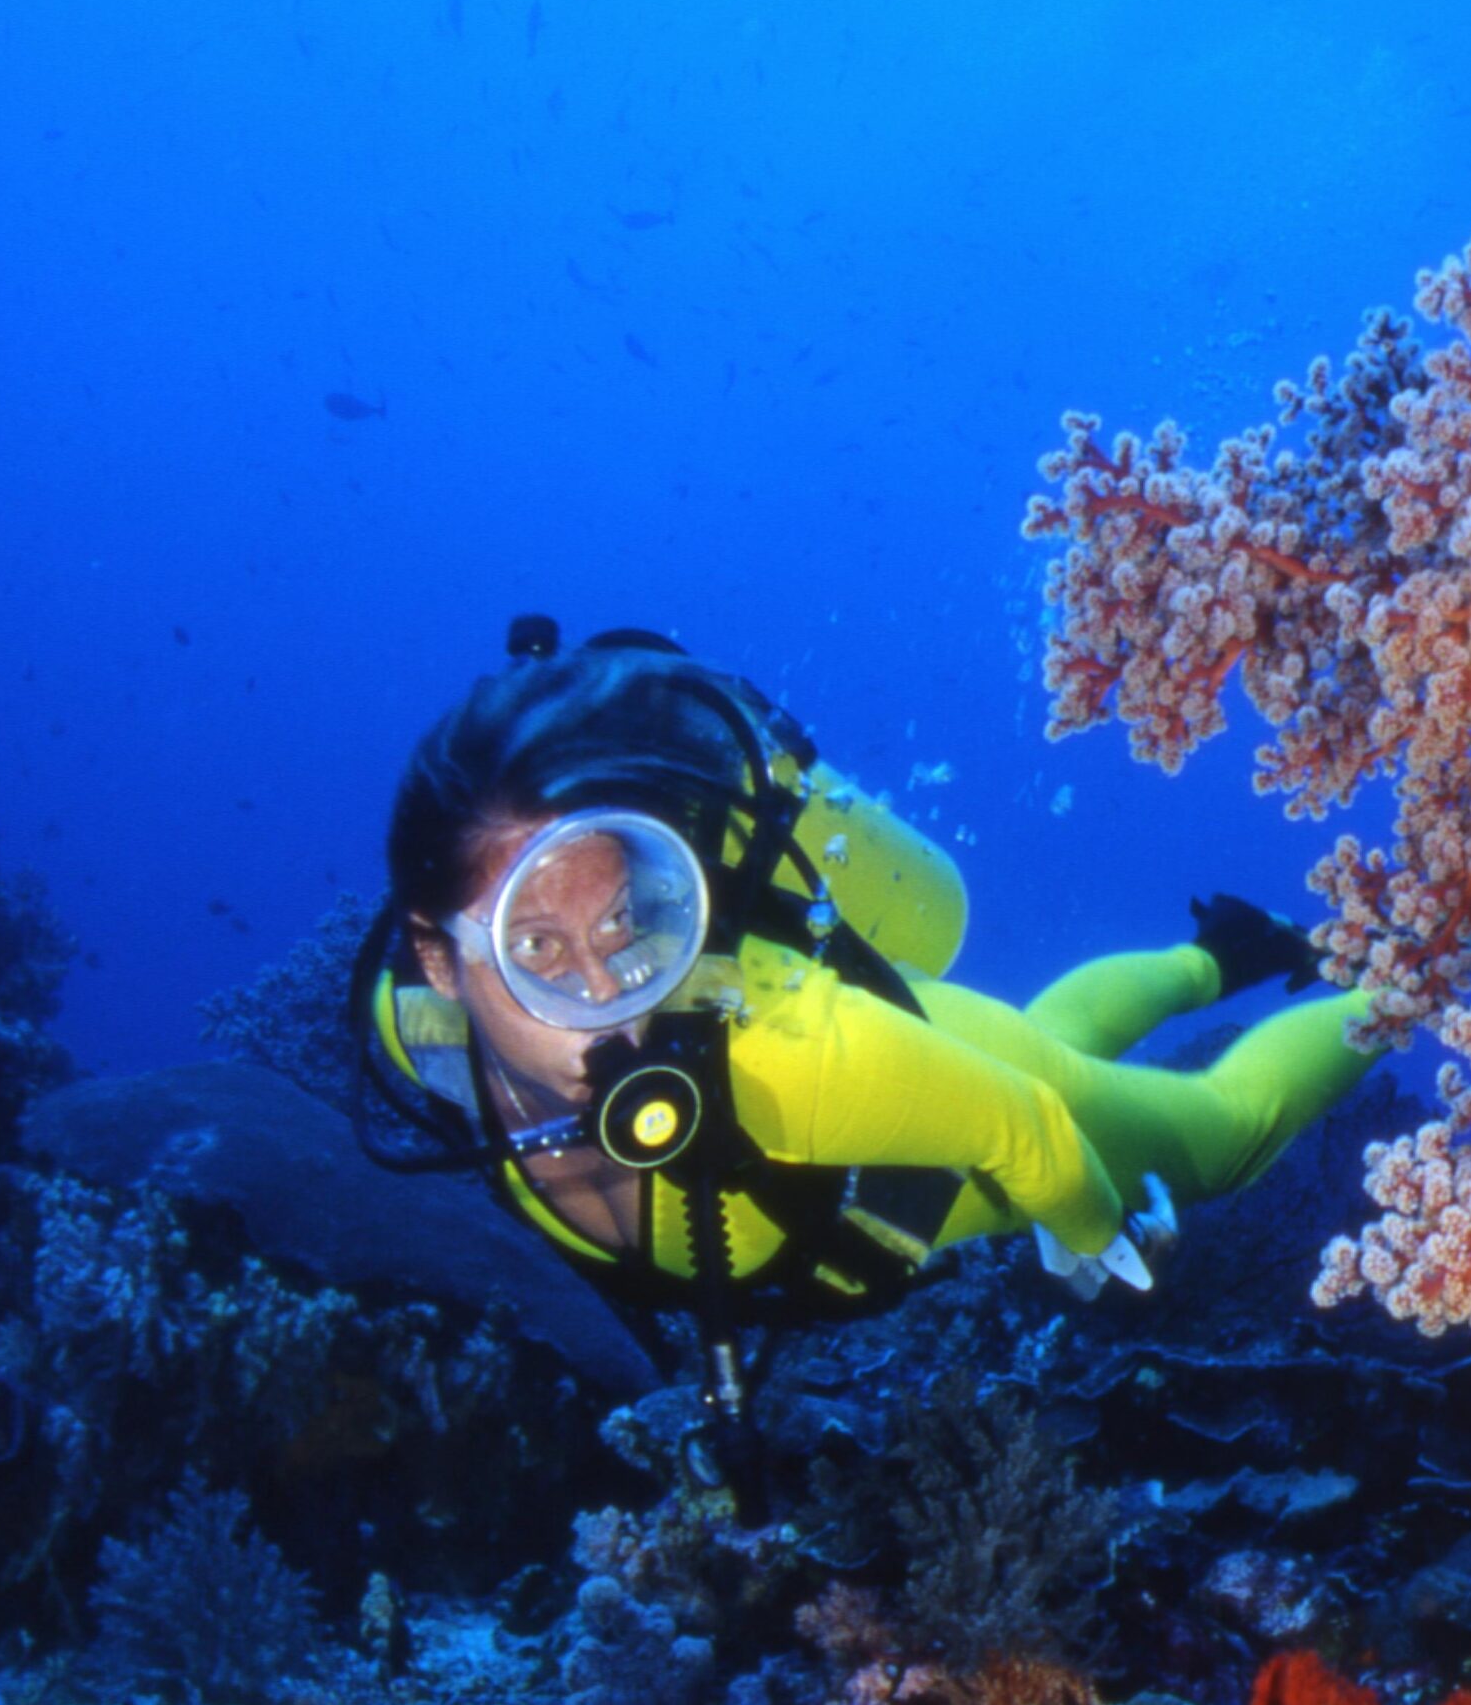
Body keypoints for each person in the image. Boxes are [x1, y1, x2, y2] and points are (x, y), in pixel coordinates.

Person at [354, 624, 1380, 1477]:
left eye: (632, 926)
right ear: (439, 961)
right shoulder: (418, 1038)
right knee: (1048, 1039)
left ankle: (1416, 972)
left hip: (944, 1133)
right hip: (924, 1060)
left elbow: (1018, 1121)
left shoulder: (788, 1063)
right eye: (536, 951)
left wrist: (1092, 1239)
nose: (606, 1003)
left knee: (1221, 1137)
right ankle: (1216, 953)